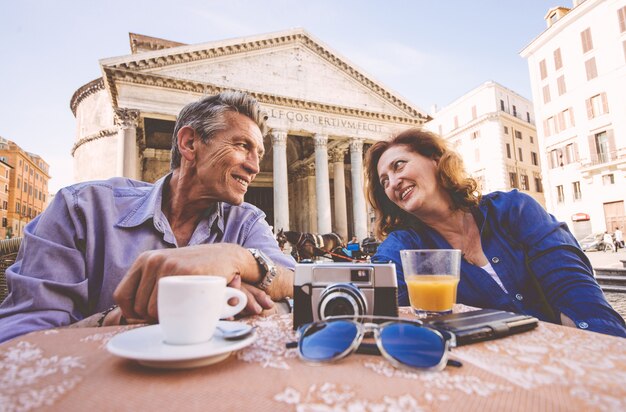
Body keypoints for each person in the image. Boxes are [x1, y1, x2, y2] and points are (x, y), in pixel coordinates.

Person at [0, 91, 296, 343]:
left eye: (259, 152)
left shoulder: (246, 221)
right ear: (190, 144)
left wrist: (237, 259)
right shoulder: (81, 209)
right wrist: (126, 317)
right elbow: (21, 341)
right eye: (243, 146)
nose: (255, 166)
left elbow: (296, 282)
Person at [365, 128, 625, 337]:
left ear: (435, 159)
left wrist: (602, 350)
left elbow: (574, 288)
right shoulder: (401, 246)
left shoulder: (513, 209)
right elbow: (383, 312)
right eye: (384, 181)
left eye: (398, 166)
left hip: (564, 359)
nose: (393, 183)